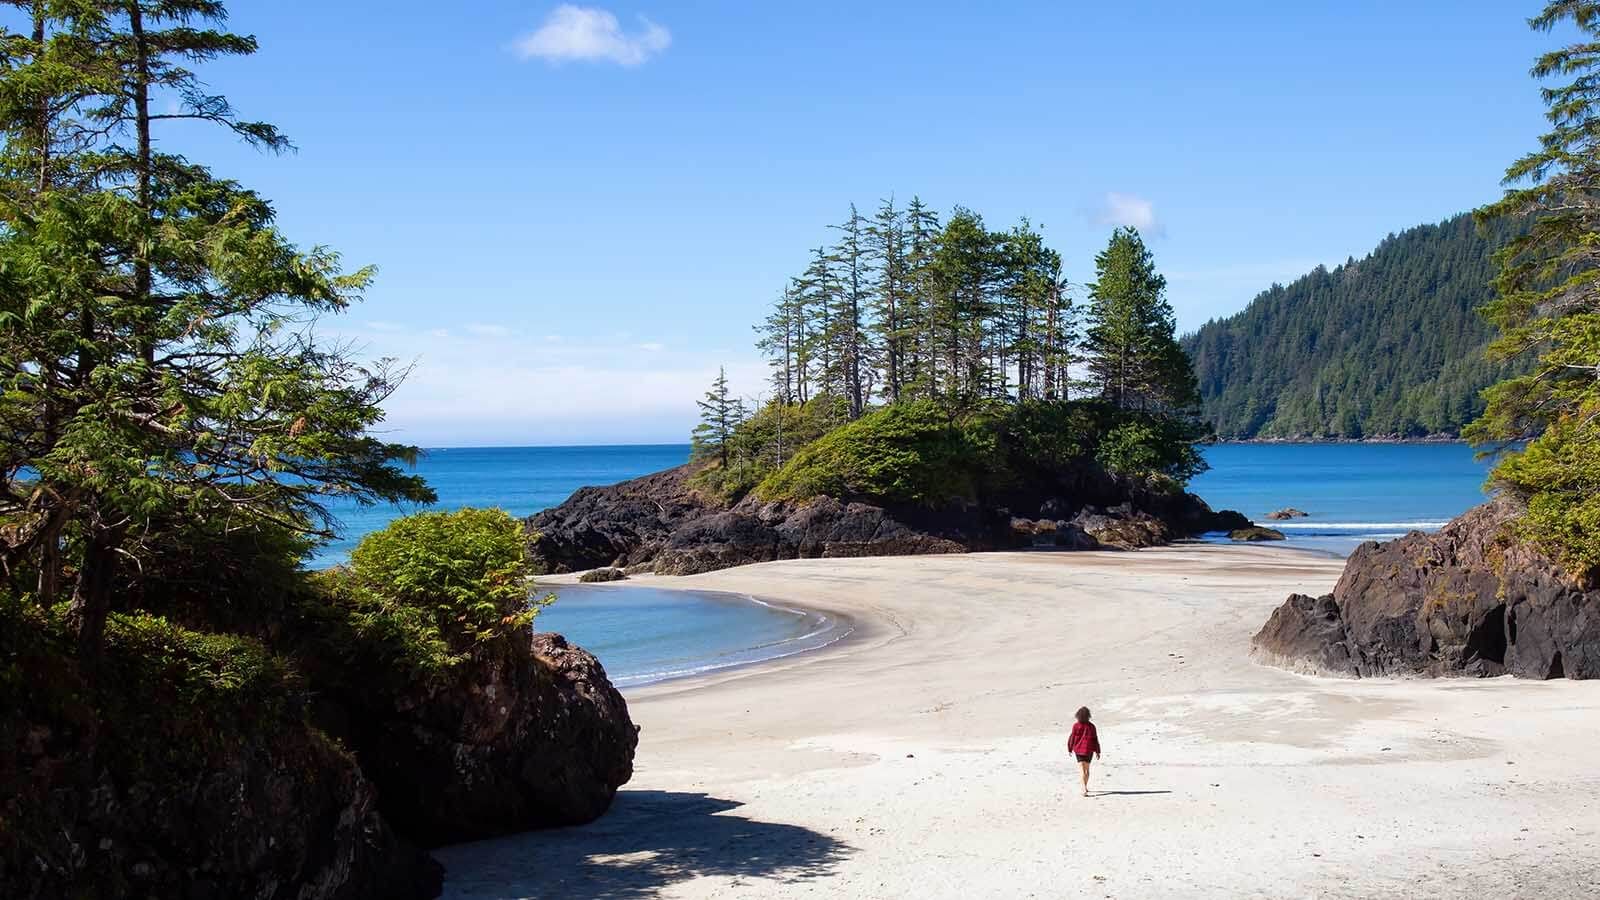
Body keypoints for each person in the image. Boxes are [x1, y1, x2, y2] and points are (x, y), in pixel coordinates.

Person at [1068, 706, 1101, 797]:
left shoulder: (1076, 726)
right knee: (1087, 770)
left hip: (1078, 750)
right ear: (1088, 716)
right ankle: (1085, 786)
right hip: (1089, 750)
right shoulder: (1091, 726)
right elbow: (1095, 739)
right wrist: (1098, 751)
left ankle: (1083, 788)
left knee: (1082, 770)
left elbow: (1072, 737)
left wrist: (1070, 748)